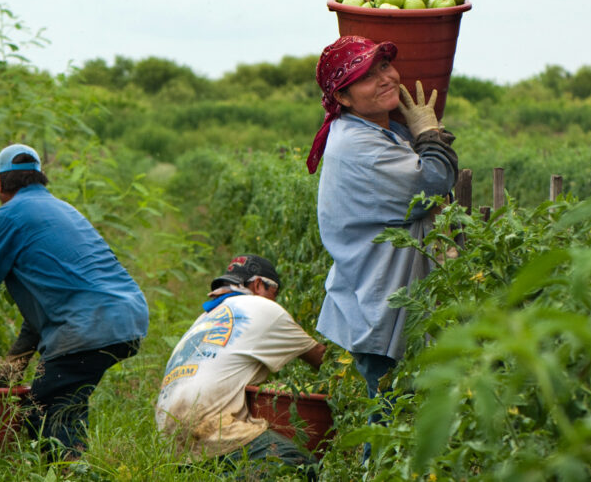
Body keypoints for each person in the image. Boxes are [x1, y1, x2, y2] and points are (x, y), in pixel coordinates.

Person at [307, 35, 459, 459]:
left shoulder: (364, 130)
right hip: (380, 305)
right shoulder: (362, 147)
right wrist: (430, 132)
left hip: (374, 297)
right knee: (393, 428)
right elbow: (433, 182)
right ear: (343, 96)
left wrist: (416, 132)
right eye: (367, 76)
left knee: (393, 419)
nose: (386, 78)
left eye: (384, 67)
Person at [0, 143, 149, 455]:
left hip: (88, 326)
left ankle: (71, 472)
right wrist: (10, 369)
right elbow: (46, 310)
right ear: (40, 177)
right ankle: (75, 469)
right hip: (128, 318)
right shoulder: (63, 209)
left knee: (44, 418)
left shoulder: (7, 218)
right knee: (62, 404)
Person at [155, 254, 326, 475]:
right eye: (274, 293)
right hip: (211, 427)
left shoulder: (205, 317)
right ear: (258, 285)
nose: (275, 301)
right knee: (305, 468)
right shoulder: (266, 309)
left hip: (167, 440)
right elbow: (322, 358)